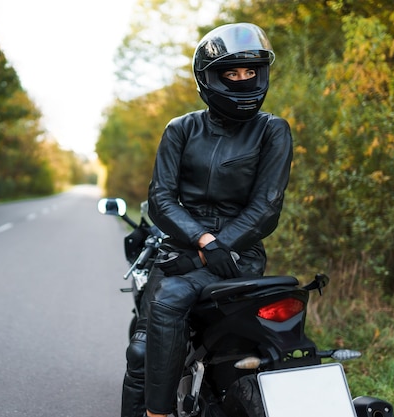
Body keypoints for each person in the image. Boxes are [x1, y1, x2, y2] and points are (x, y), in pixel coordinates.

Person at [120, 22, 294, 417]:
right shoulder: (181, 129)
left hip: (239, 256)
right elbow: (161, 198)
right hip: (180, 252)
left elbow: (267, 207)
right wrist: (204, 242)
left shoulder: (273, 131)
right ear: (209, 78)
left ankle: (158, 414)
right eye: (231, 73)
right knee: (140, 353)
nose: (243, 80)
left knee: (167, 298)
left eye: (250, 72)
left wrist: (222, 245)